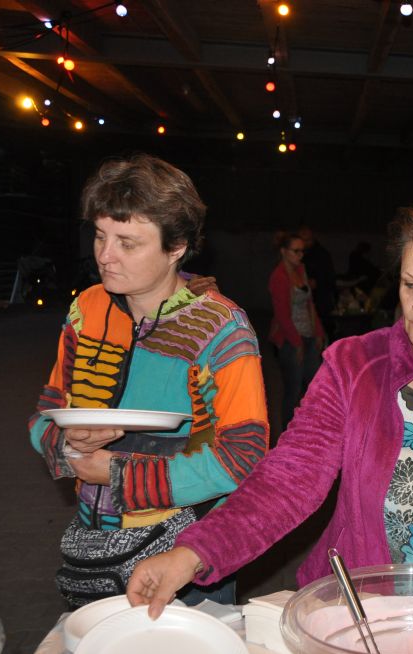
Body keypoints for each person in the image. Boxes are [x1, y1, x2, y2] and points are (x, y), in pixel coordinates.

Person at [127, 198, 413, 614]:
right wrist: (194, 552)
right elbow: (288, 480)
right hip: (371, 614)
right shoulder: (355, 367)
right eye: (409, 284)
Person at [28, 154, 269, 607]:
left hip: (186, 555)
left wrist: (119, 474)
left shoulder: (221, 329)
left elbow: (243, 456)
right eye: (100, 236)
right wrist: (69, 445)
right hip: (96, 544)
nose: (105, 256)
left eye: (127, 243)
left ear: (176, 247)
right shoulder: (87, 309)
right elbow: (45, 412)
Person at [269, 232, 326, 436]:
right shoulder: (278, 277)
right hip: (289, 339)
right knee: (292, 391)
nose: (300, 255)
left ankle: (309, 430)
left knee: (315, 387)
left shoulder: (301, 270)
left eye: (303, 251)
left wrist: (318, 332)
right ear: (284, 252)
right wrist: (296, 343)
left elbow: (310, 304)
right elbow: (282, 316)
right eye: (296, 251)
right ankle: (287, 435)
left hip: (308, 335)